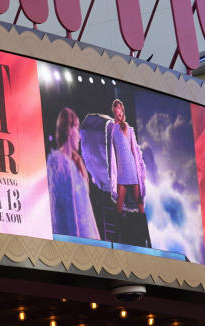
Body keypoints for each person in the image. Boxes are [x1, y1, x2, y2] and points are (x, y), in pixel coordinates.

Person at [47, 107, 99, 239]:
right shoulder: (56, 162)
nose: (79, 136)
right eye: (77, 128)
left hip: (87, 240)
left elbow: (88, 212)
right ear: (69, 130)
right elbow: (55, 208)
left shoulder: (78, 166)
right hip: (67, 242)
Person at [107, 99, 146, 214]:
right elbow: (110, 150)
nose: (118, 113)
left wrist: (140, 170)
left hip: (132, 167)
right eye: (116, 110)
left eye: (120, 110)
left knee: (139, 202)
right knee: (119, 203)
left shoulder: (128, 128)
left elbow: (134, 151)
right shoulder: (111, 128)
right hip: (121, 170)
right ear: (114, 112)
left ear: (122, 111)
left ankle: (143, 229)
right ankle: (119, 231)